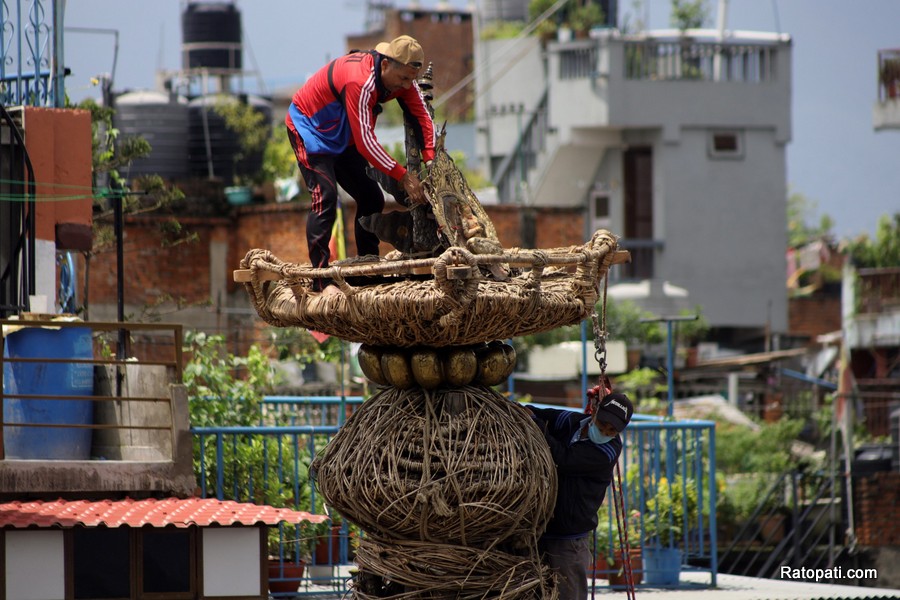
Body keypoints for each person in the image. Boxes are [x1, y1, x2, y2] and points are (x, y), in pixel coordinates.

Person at [284, 35, 436, 289]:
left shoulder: (403, 81)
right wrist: (403, 176)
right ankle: (320, 279)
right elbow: (366, 142)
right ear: (386, 65)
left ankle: (367, 271)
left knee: (371, 198)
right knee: (326, 197)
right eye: (403, 79)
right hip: (310, 129)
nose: (407, 85)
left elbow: (423, 118)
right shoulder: (360, 80)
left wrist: (430, 161)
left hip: (344, 137)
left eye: (411, 79)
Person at [528, 389, 635, 600]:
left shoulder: (607, 452)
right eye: (603, 423)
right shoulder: (574, 422)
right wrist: (527, 413)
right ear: (594, 412)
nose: (604, 431)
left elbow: (563, 458)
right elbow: (544, 415)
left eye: (612, 430)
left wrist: (536, 425)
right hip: (541, 529)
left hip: (569, 539)